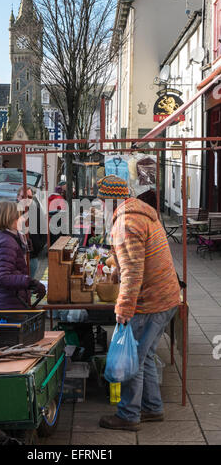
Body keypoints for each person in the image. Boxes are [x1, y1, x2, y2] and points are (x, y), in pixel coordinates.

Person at [97, 176, 180, 432]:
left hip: (150, 303)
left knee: (131, 359)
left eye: (101, 201)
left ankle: (129, 415)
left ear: (111, 200)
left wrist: (123, 308)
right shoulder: (140, 214)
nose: (100, 206)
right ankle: (153, 408)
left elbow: (134, 271)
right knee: (145, 357)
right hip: (167, 298)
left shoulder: (126, 222)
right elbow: (134, 261)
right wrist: (117, 269)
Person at [0, 201, 46, 310]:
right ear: (11, 219)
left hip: (1, 301)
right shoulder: (6, 242)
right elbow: (2, 277)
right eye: (19, 216)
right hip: (10, 303)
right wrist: (29, 282)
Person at [16, 186, 46, 278]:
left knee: (29, 286)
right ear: (18, 197)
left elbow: (44, 232)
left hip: (32, 258)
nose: (27, 199)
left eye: (29, 197)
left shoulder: (37, 212)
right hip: (15, 258)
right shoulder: (12, 212)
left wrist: (37, 249)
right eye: (24, 196)